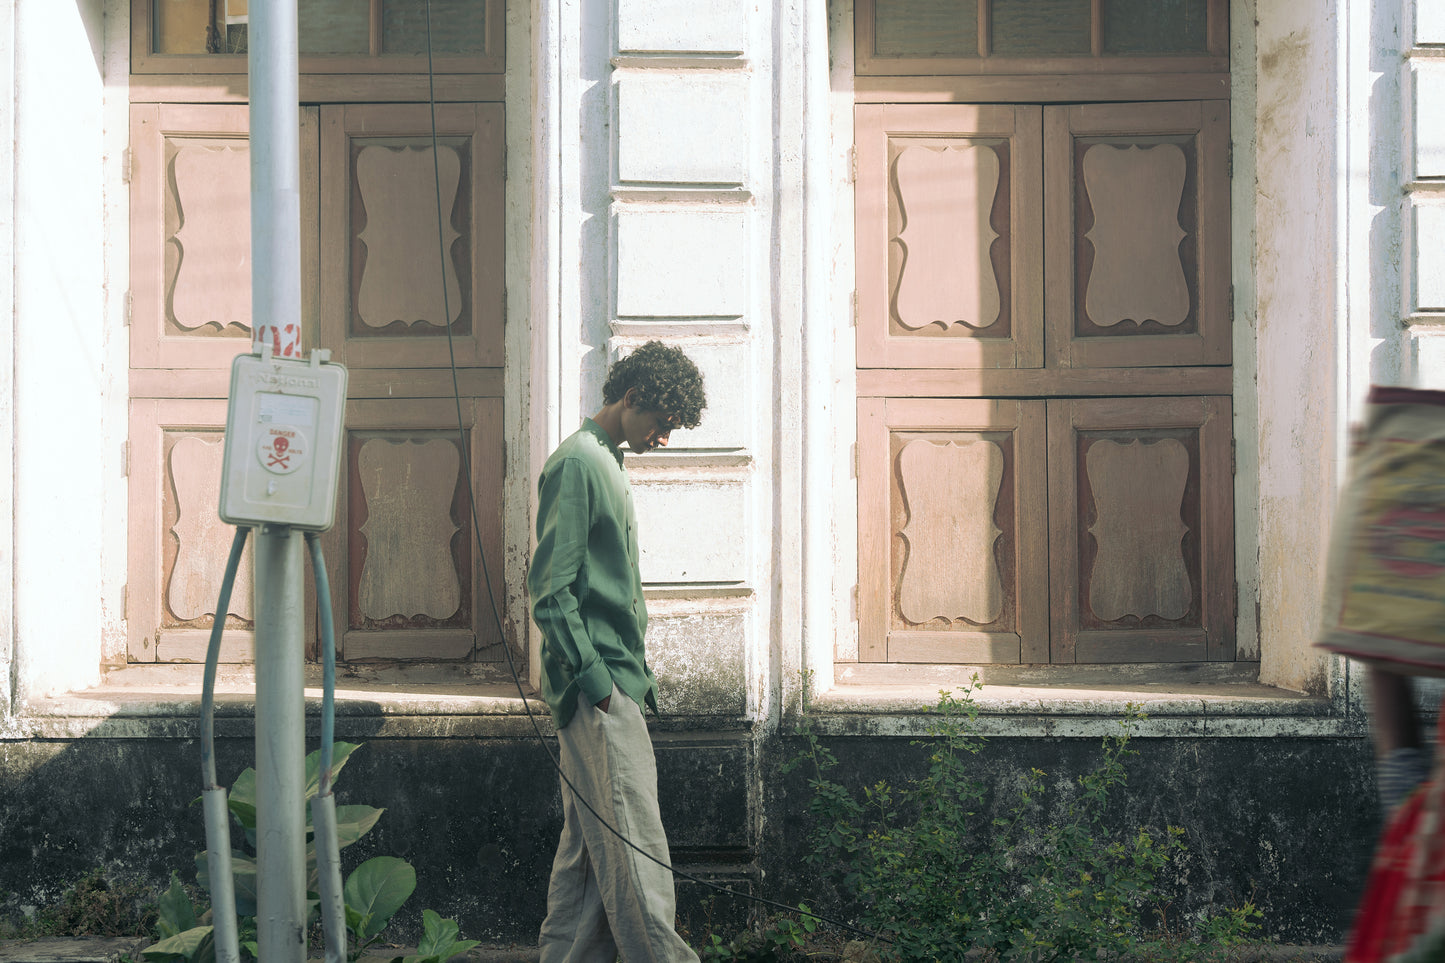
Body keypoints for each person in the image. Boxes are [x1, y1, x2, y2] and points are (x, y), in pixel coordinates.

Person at [529, 341, 706, 963]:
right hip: (597, 692)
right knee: (636, 854)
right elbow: (551, 592)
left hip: (612, 685)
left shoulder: (605, 459)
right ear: (631, 399)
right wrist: (600, 683)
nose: (663, 438)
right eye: (661, 424)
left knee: (587, 859)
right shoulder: (578, 463)